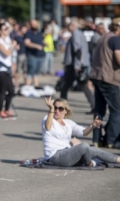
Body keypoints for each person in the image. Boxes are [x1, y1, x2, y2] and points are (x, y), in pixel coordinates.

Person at [42, 97, 120, 167]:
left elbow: (83, 132)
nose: (56, 110)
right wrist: (51, 109)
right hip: (54, 157)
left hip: (67, 152)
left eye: (60, 108)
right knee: (84, 146)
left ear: (65, 111)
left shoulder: (68, 123)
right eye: (55, 108)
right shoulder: (47, 119)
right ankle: (89, 163)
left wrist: (92, 126)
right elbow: (48, 127)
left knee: (95, 150)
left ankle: (118, 160)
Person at [90, 18, 120, 148]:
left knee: (99, 110)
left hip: (98, 77)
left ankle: (96, 139)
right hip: (109, 79)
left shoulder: (103, 37)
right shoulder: (115, 39)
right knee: (117, 111)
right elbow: (119, 59)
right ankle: (111, 140)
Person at [61, 21, 95, 113]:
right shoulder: (79, 34)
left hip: (75, 66)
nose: (67, 27)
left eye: (68, 25)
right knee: (80, 86)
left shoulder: (76, 34)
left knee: (67, 86)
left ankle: (61, 106)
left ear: (73, 25)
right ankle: (62, 106)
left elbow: (78, 51)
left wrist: (77, 66)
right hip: (78, 64)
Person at [0, 23, 17, 119]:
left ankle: (7, 109)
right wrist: (13, 46)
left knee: (11, 90)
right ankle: (0, 110)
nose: (7, 30)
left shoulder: (7, 40)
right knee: (3, 90)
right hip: (0, 69)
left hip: (7, 69)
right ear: (0, 31)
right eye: (5, 29)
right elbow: (6, 53)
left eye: (7, 29)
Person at [24, 20, 45, 87]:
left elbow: (41, 40)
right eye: (33, 24)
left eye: (36, 24)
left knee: (37, 72)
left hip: (40, 55)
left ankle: (36, 85)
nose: (35, 25)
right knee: (30, 71)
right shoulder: (28, 33)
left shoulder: (39, 33)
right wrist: (36, 46)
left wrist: (45, 43)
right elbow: (27, 43)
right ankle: (27, 86)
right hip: (32, 55)